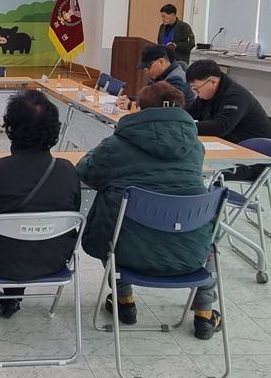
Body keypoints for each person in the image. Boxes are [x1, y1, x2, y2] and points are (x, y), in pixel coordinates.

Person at [77, 81, 221, 340]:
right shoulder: (195, 147)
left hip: (128, 251)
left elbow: (86, 172)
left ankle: (125, 300)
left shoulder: (117, 144)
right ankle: (204, 313)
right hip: (190, 253)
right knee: (210, 230)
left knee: (113, 220)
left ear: (140, 109)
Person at [0, 90, 81, 318]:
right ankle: (13, 298)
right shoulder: (67, 169)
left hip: (0, 262)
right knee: (25, 235)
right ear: (54, 128)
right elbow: (73, 212)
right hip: (53, 261)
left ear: (11, 127)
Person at [186, 59, 271, 144]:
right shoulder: (206, 94)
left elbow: (220, 127)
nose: (195, 93)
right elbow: (189, 114)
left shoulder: (235, 96)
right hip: (229, 142)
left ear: (213, 82)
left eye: (196, 89)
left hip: (254, 146)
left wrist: (184, 126)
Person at [116, 45, 195, 109]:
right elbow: (147, 98)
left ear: (161, 61)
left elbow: (164, 107)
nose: (146, 72)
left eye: (149, 67)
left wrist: (130, 105)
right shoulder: (158, 76)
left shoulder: (176, 78)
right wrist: (129, 99)